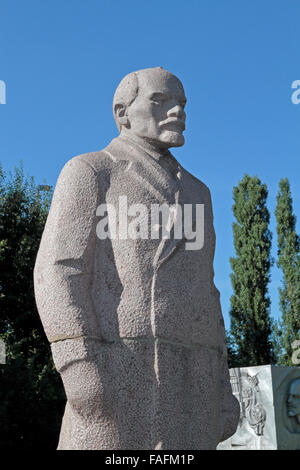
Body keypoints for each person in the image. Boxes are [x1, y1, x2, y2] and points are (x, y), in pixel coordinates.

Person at [34, 67, 239, 450]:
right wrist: (78, 365)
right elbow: (59, 271)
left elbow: (208, 292)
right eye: (160, 101)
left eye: (181, 103)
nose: (177, 112)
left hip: (195, 377)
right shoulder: (91, 171)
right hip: (120, 364)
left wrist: (222, 384)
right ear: (122, 113)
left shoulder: (199, 192)